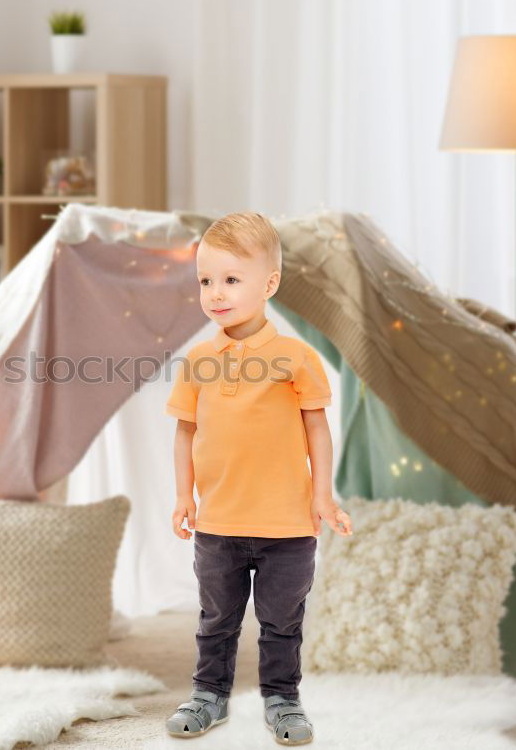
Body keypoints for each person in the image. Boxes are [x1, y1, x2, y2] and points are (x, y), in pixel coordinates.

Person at [163, 211, 353, 746]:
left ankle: (282, 700)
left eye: (230, 279)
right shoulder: (198, 362)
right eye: (205, 280)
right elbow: (184, 434)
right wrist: (183, 495)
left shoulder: (296, 358)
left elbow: (318, 429)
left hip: (288, 528)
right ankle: (208, 695)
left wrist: (323, 497)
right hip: (219, 525)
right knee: (216, 620)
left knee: (281, 623)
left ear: (269, 284)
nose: (215, 293)